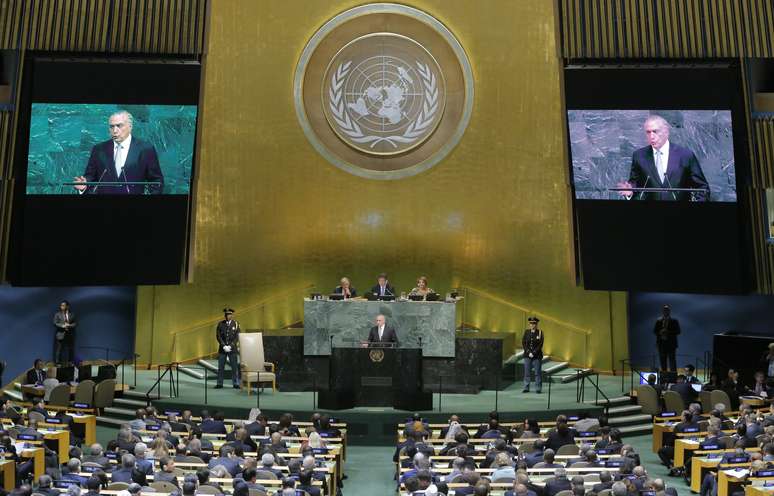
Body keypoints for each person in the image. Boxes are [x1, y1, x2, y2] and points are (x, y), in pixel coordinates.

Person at [618, 114, 709, 201]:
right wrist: (630, 192)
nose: (651, 136)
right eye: (648, 132)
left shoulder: (685, 155)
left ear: (666, 131)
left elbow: (702, 188)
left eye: (655, 131)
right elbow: (635, 185)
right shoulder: (639, 155)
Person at [74, 110, 163, 195]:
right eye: (111, 126)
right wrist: (84, 186)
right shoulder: (98, 149)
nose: (115, 130)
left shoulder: (145, 149)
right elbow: (90, 176)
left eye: (119, 126)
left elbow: (156, 181)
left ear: (130, 127)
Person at [215, 308, 240, 389]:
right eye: (226, 314)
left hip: (232, 349)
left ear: (232, 315)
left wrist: (230, 346)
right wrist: (223, 346)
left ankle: (235, 383)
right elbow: (218, 336)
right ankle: (219, 383)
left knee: (234, 367)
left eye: (229, 314)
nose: (227, 316)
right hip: (223, 349)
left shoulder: (236, 324)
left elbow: (237, 336)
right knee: (221, 367)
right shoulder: (220, 324)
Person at [653, 305, 680, 372]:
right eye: (664, 310)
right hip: (661, 344)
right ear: (662, 311)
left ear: (669, 311)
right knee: (662, 361)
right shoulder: (658, 321)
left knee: (672, 362)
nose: (666, 311)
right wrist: (660, 332)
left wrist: (668, 332)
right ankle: (664, 377)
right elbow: (655, 331)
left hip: (671, 345)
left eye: (667, 310)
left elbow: (678, 331)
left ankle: (673, 377)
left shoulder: (674, 321)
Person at [521, 317, 543, 393]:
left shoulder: (540, 332)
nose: (532, 325)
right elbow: (523, 343)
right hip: (527, 356)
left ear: (536, 324)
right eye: (531, 323)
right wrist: (528, 352)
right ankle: (526, 387)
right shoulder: (526, 332)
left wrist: (533, 353)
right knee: (527, 373)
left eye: (534, 323)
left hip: (537, 356)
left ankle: (538, 388)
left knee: (537, 373)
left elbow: (540, 344)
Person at [53, 301, 77, 365]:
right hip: (61, 334)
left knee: (70, 349)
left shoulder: (72, 314)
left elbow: (75, 323)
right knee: (59, 349)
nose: (61, 307)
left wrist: (69, 325)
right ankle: (58, 363)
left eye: (63, 305)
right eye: (61, 305)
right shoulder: (57, 314)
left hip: (69, 334)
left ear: (67, 306)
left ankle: (70, 362)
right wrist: (62, 326)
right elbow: (55, 323)